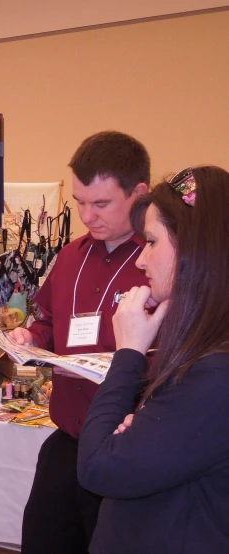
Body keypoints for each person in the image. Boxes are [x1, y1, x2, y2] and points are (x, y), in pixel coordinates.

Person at [12, 131, 151, 553]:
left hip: (126, 450)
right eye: (79, 203)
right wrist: (27, 336)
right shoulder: (71, 255)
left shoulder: (158, 260)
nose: (87, 216)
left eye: (102, 204)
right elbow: (49, 321)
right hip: (67, 440)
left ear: (139, 195)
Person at [78, 166, 229, 553]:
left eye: (151, 242)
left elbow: (97, 467)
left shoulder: (215, 373)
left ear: (195, 250)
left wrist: (127, 353)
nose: (141, 260)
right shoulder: (205, 354)